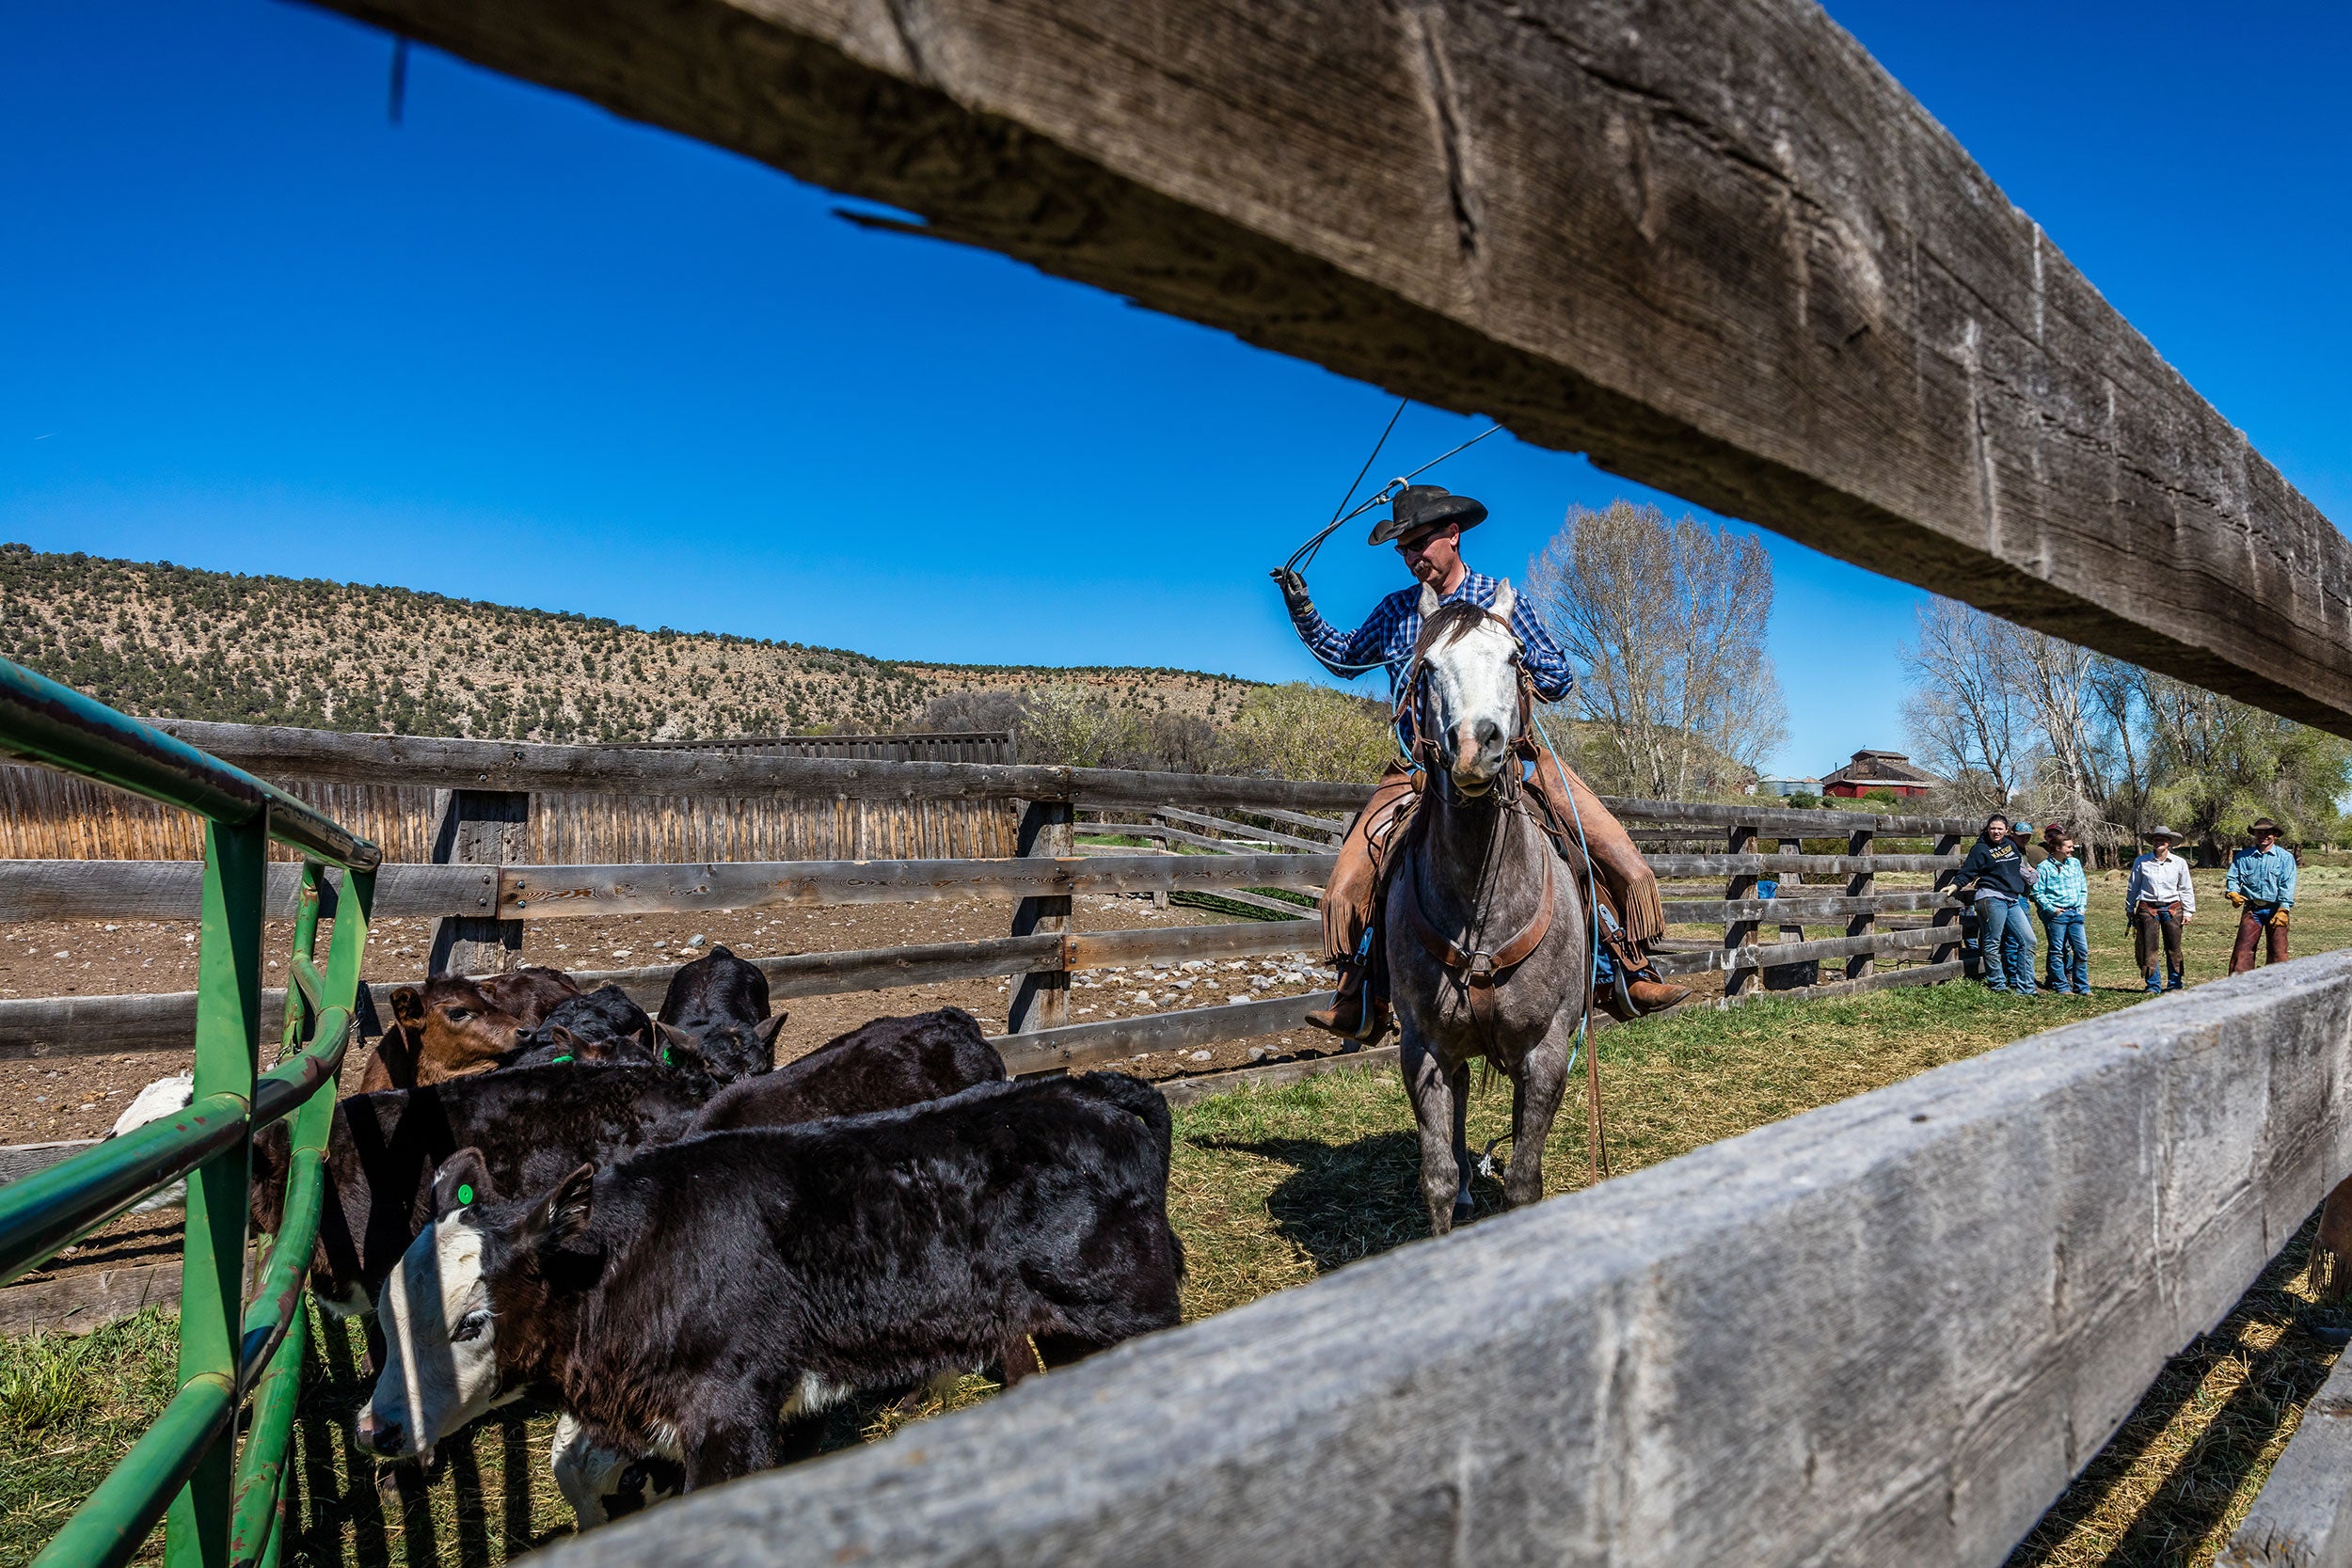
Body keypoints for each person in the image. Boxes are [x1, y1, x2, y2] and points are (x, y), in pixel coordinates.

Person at [1270, 484, 1691, 1041]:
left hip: (1513, 762)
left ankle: (1624, 967)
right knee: (1352, 875)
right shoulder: (1397, 612)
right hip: (1419, 771)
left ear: (1453, 534)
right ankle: (1359, 991)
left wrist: (1512, 660)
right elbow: (1345, 658)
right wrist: (1301, 609)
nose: (1413, 556)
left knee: (1598, 842)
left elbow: (1559, 678)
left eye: (1421, 542)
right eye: (1404, 548)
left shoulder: (1499, 600)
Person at [1955, 814, 2038, 996]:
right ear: (1987, 829)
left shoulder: (2011, 846)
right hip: (1990, 897)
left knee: (2029, 940)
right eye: (1992, 828)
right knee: (1993, 942)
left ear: (2006, 830)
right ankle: (1998, 985)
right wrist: (1955, 885)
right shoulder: (1980, 849)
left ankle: (2026, 988)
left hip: (2012, 898)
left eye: (2000, 828)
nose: (1996, 831)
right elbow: (1969, 871)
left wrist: (2031, 874)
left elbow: (2018, 868)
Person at [2124, 827, 2195, 993]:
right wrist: (2130, 906)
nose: (2159, 842)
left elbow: (2185, 887)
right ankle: (2153, 985)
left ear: (2169, 843)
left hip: (2173, 908)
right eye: (2156, 839)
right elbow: (2133, 885)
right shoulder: (2141, 861)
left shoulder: (2179, 863)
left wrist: (2188, 911)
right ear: (2152, 842)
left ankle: (2175, 984)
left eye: (2163, 839)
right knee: (2149, 947)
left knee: (2174, 948)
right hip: (2147, 908)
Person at [2225, 816, 2297, 974]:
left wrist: (2284, 909)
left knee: (2278, 953)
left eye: (2267, 833)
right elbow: (2233, 877)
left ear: (2275, 835)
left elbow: (2288, 884)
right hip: (2252, 910)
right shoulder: (2243, 856)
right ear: (2254, 835)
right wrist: (2233, 892)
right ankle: (2240, 985)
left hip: (2276, 910)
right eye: (2259, 833)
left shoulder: (2285, 858)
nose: (2263, 836)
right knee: (2242, 953)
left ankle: (2277, 985)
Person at [2031, 825, 2090, 994]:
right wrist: (2052, 909)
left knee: (2081, 951)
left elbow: (2082, 887)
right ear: (2057, 848)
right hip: (2058, 915)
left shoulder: (2075, 863)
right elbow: (2037, 892)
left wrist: (2081, 908)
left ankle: (2082, 986)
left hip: (2075, 913)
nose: (2072, 849)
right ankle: (2061, 985)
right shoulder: (2044, 867)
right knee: (2057, 951)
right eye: (2069, 847)